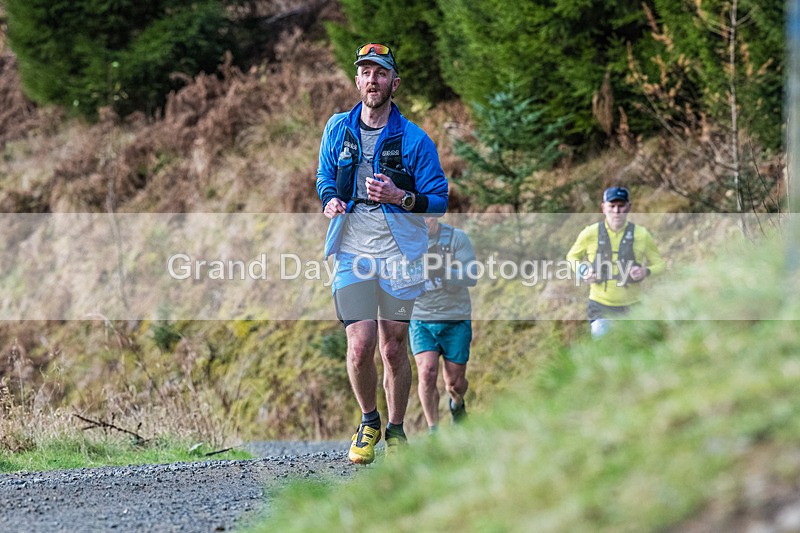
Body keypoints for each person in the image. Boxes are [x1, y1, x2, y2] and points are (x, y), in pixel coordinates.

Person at [315, 43, 449, 464]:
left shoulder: (415, 139)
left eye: (380, 73)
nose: (372, 80)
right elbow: (324, 177)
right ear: (357, 81)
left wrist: (399, 196)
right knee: (359, 346)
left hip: (400, 255)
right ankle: (369, 421)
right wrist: (330, 200)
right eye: (365, 73)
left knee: (393, 347)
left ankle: (396, 429)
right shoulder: (338, 128)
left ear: (394, 82)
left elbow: (439, 199)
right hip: (352, 251)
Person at [566, 186, 665, 337]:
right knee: (604, 349)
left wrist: (645, 271)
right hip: (600, 306)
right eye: (612, 206)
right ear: (603, 208)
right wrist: (583, 270)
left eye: (621, 206)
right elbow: (572, 257)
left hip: (633, 306)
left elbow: (660, 264)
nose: (616, 211)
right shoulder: (590, 233)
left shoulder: (642, 235)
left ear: (628, 207)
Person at [410, 217, 477, 433]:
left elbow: (472, 275)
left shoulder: (457, 238)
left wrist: (443, 272)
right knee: (427, 372)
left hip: (455, 319)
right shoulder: (406, 240)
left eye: (427, 217)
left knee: (455, 384)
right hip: (421, 319)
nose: (424, 222)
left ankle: (457, 404)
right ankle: (434, 430)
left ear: (436, 216)